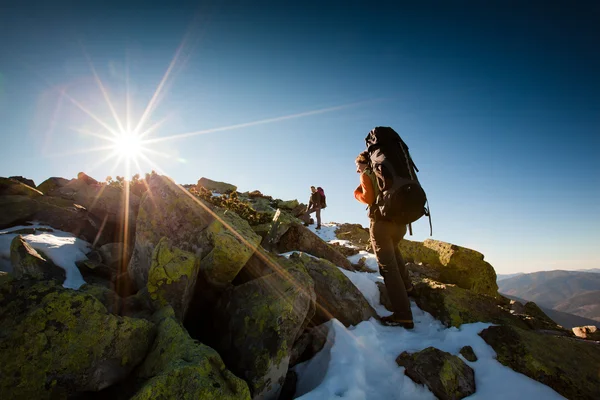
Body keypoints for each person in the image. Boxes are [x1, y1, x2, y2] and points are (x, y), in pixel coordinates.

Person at [354, 151, 414, 329]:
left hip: (381, 224)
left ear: (364, 163)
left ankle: (403, 315)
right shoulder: (390, 173)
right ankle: (409, 288)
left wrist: (356, 193)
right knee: (394, 252)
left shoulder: (367, 174)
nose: (357, 171)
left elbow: (368, 198)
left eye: (357, 166)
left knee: (388, 267)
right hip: (400, 224)